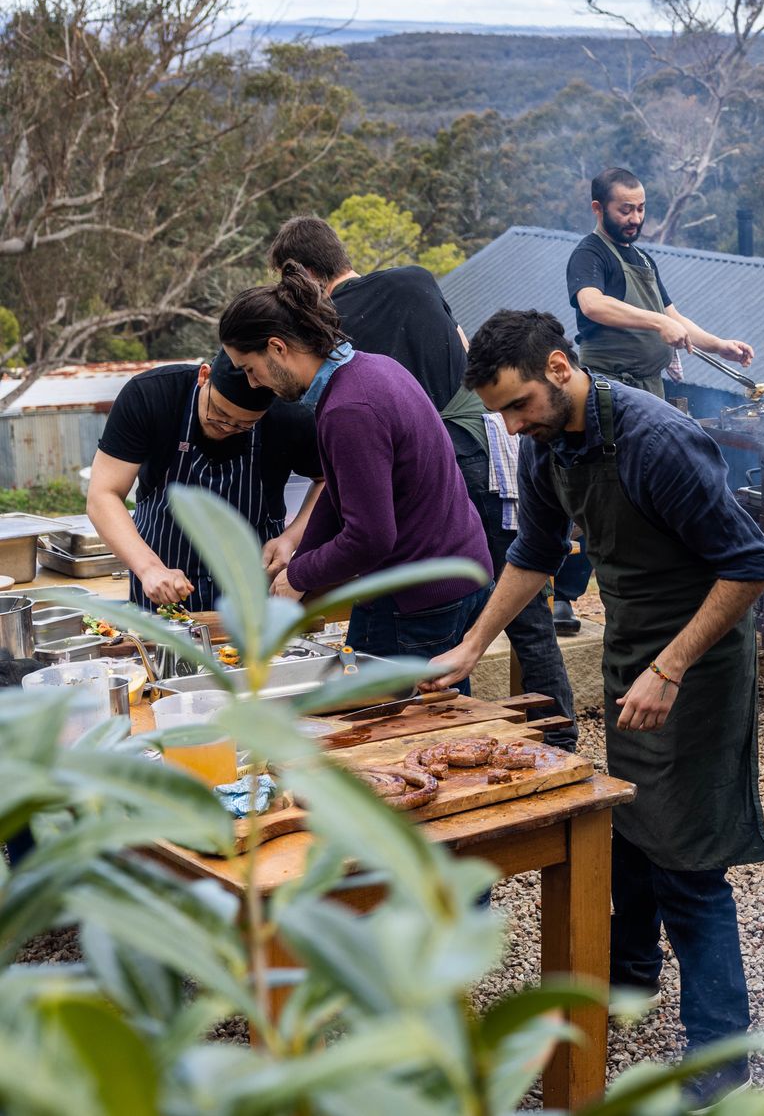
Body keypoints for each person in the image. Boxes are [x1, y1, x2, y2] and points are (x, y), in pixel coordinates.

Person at [427, 310, 764, 1086]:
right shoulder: (548, 446)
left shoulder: (656, 441)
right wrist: (472, 646)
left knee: (689, 863)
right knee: (629, 826)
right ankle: (630, 981)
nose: (512, 426)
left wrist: (673, 666)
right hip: (631, 654)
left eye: (517, 406)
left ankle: (722, 1062)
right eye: (499, 415)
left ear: (558, 367)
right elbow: (534, 553)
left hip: (699, 662)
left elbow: (751, 564)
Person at [269, 216, 577, 746]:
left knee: (442, 614)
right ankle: (557, 736)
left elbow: (363, 514)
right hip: (489, 444)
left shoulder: (328, 335)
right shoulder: (415, 279)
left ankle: (480, 733)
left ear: (305, 279)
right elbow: (461, 346)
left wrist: (301, 566)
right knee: (519, 602)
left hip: (444, 460)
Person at [218, 266, 492, 660]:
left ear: (277, 348)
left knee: (390, 718)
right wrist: (298, 563)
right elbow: (341, 493)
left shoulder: (349, 410)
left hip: (416, 593)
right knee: (444, 711)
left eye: (250, 369)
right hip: (458, 569)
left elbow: (371, 537)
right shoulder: (370, 368)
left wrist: (300, 575)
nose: (255, 384)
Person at [86, 354, 324, 609]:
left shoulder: (290, 415)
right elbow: (103, 495)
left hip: (254, 591)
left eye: (243, 425)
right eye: (218, 414)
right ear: (204, 376)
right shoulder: (151, 395)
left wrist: (290, 539)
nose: (226, 427)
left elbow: (328, 481)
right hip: (163, 582)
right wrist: (149, 568)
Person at [570, 168, 754, 398]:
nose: (636, 219)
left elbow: (673, 318)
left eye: (641, 208)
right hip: (610, 389)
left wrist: (718, 345)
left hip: (649, 390)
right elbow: (592, 305)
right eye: (625, 210)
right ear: (598, 208)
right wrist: (658, 323)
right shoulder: (590, 253)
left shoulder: (644, 260)